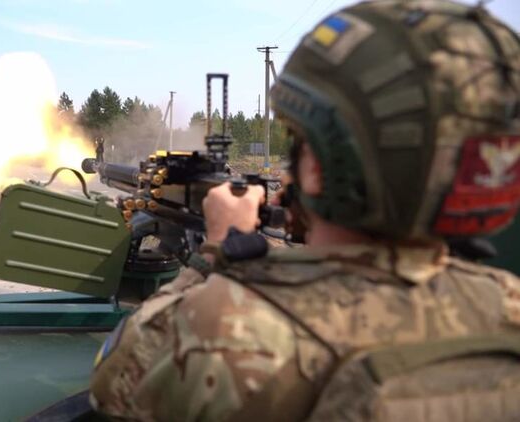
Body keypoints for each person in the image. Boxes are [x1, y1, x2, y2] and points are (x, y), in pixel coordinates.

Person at [89, 0, 520, 420]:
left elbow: (115, 381)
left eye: (300, 141)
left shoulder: (234, 330)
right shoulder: (507, 304)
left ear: (319, 166)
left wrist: (214, 252)